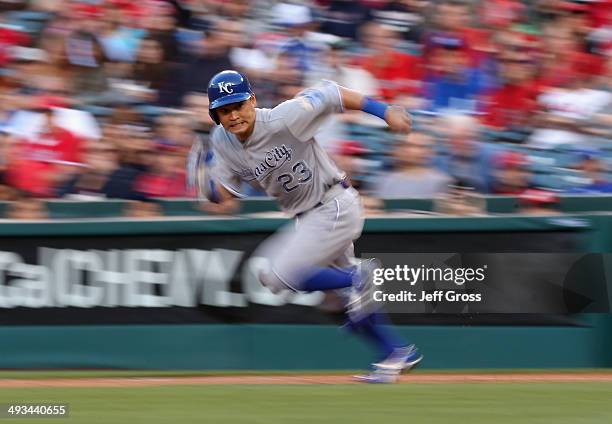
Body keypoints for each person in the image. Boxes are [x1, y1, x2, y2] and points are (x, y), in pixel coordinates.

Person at [189, 70, 422, 383]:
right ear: (215, 115)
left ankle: (358, 276)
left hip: (333, 204)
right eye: (224, 110)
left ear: (253, 101)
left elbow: (332, 93)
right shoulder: (223, 141)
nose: (233, 115)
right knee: (334, 302)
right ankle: (395, 353)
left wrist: (385, 112)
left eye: (238, 105)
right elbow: (227, 195)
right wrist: (204, 184)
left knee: (278, 275)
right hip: (310, 217)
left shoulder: (285, 118)